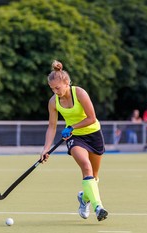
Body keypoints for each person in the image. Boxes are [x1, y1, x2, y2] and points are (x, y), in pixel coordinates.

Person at [41, 60, 108, 222]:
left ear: (67, 83)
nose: (55, 91)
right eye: (52, 89)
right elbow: (52, 126)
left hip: (93, 134)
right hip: (75, 138)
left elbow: (92, 118)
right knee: (86, 167)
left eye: (57, 88)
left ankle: (84, 198)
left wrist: (72, 126)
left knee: (95, 176)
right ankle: (98, 207)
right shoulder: (53, 102)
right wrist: (46, 149)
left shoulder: (80, 93)